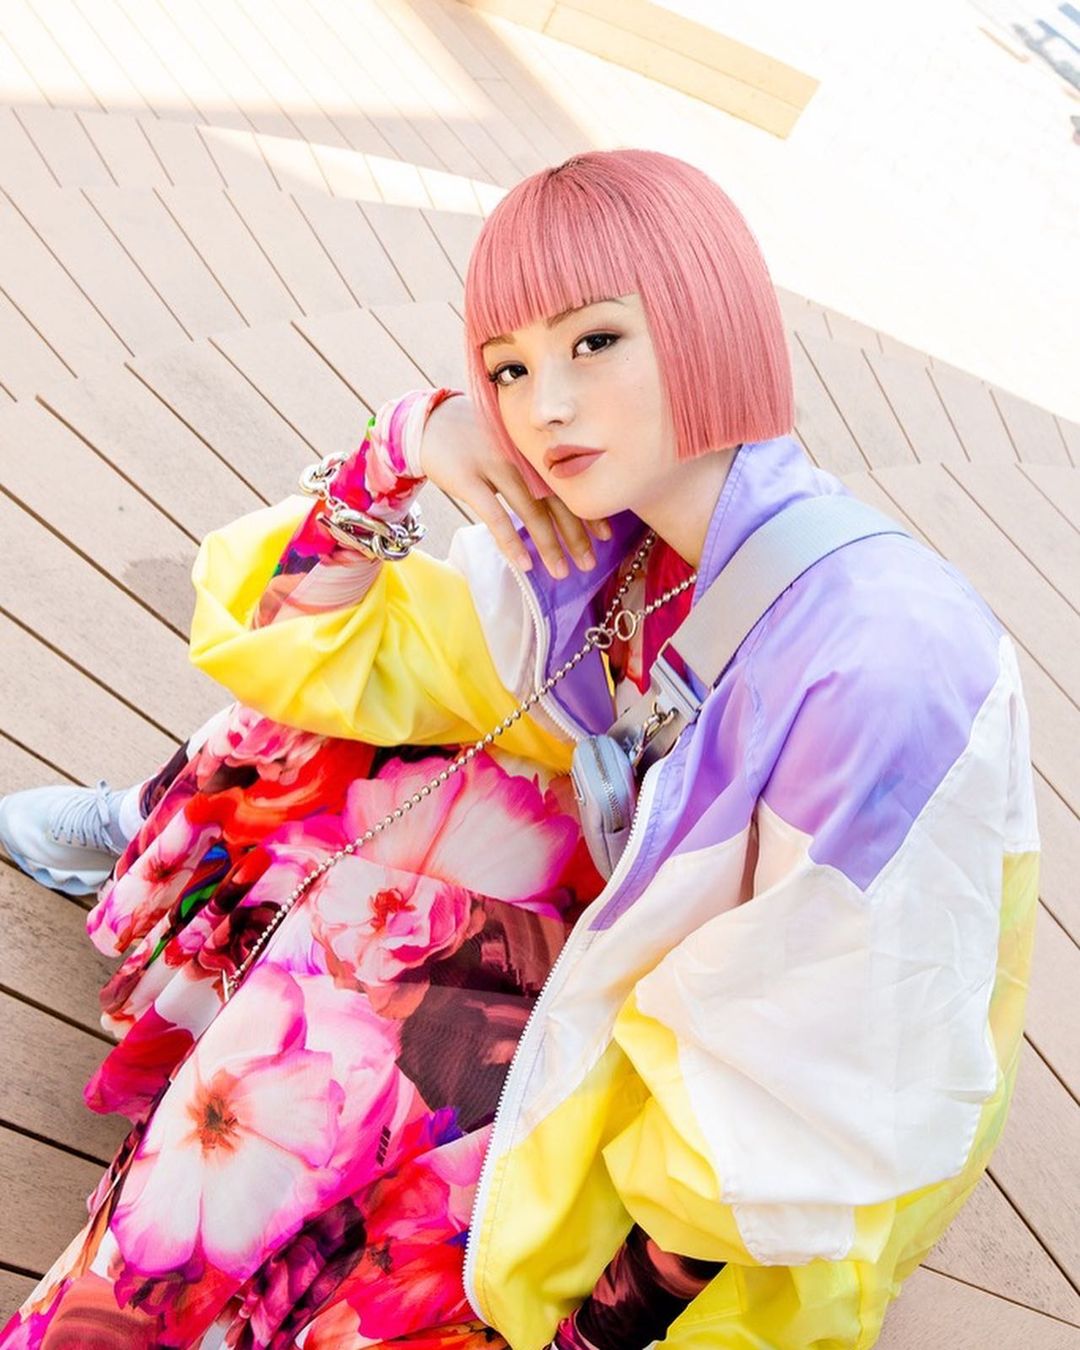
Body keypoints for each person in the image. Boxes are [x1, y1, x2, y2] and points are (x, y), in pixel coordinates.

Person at [0, 148, 1038, 1350]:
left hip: (743, 1150)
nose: (543, 408)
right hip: (631, 936)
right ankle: (166, 850)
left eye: (595, 341)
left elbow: (816, 1082)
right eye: (508, 367)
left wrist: (591, 1328)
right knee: (317, 738)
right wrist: (403, 447)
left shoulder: (883, 663)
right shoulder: (613, 547)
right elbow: (308, 646)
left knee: (345, 979)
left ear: (710, 317)